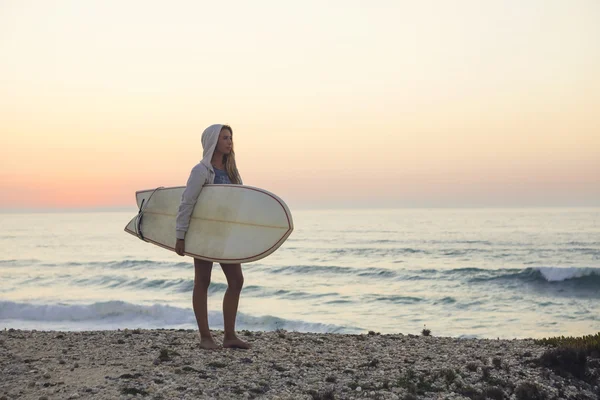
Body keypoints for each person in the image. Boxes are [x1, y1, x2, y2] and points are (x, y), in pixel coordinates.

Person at [174, 124, 250, 350]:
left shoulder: (232, 172)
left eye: (231, 138)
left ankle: (229, 336)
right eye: (225, 138)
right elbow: (187, 203)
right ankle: (206, 337)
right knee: (202, 281)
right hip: (205, 234)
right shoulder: (201, 171)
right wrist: (181, 235)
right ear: (213, 142)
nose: (229, 142)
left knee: (236, 281)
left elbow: (238, 204)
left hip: (225, 235)